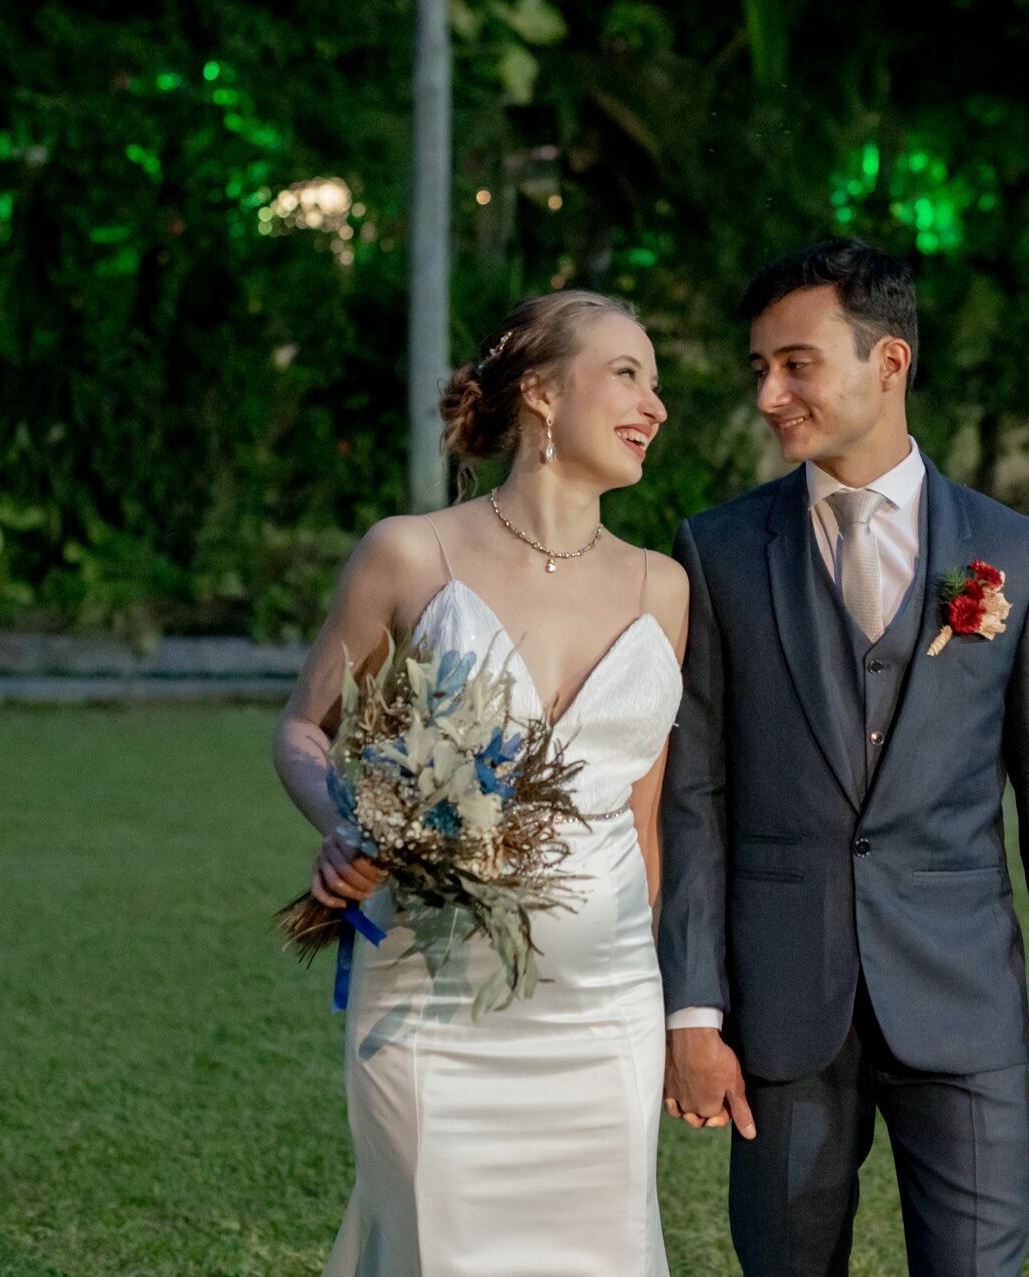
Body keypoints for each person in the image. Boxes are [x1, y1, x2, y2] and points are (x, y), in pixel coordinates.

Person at [658, 239, 1029, 1276]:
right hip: (782, 1012)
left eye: (797, 363)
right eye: (760, 369)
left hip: (963, 1008)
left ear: (890, 362)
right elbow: (694, 797)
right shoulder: (719, 551)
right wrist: (692, 1009)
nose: (771, 394)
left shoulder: (1021, 552)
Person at [273, 290, 688, 1277]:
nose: (656, 403)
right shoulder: (411, 553)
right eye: (628, 372)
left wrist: (647, 980)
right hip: (433, 995)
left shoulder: (662, 584)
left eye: (658, 381)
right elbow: (303, 726)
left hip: (607, 1003)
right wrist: (348, 821)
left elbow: (643, 811)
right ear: (541, 392)